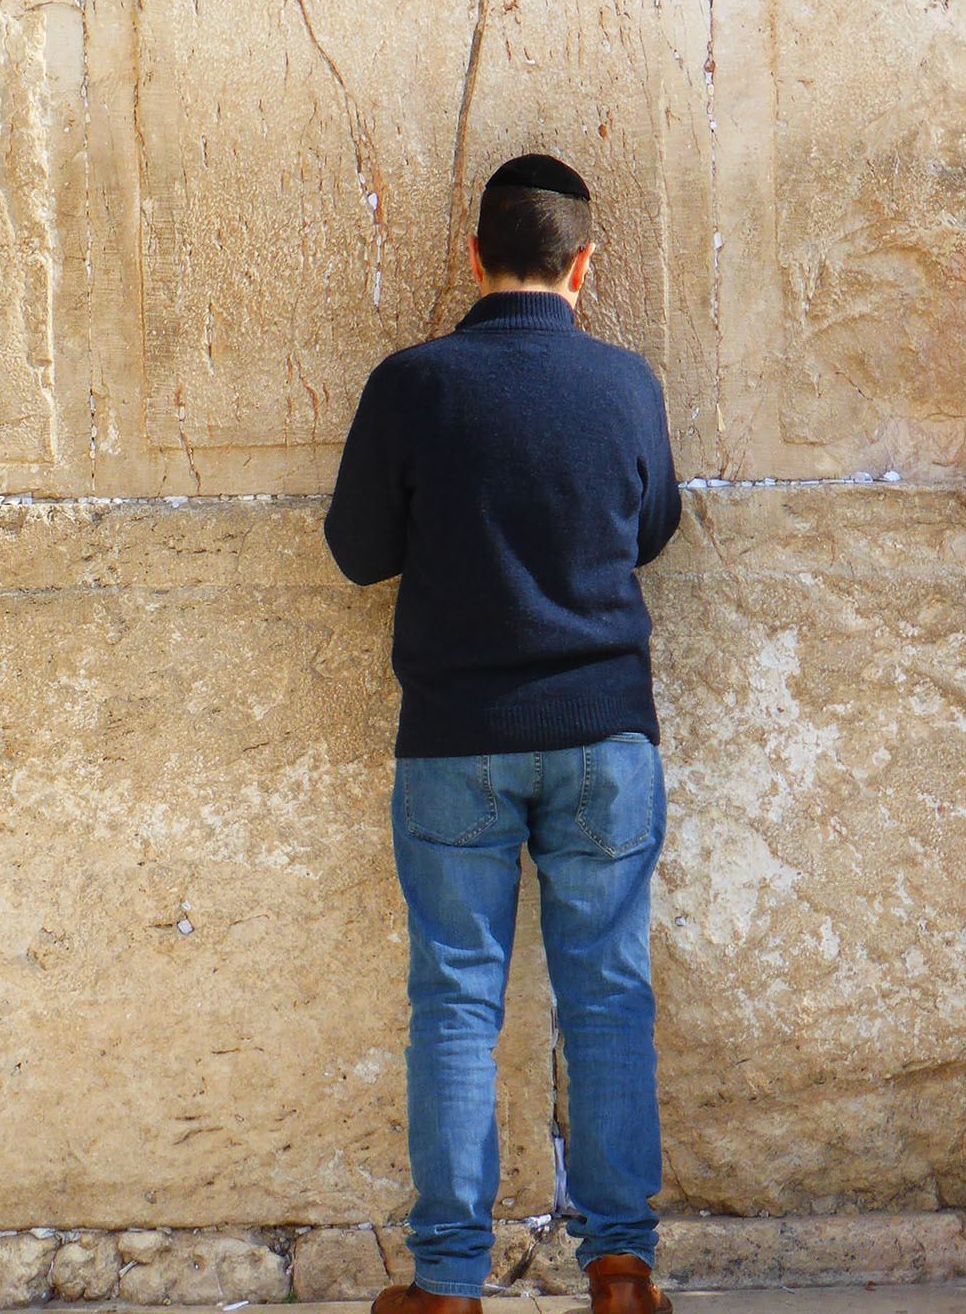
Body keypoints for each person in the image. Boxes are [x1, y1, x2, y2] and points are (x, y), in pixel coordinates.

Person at [326, 154, 682, 1314]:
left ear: (470, 257)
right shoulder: (626, 384)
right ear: (585, 264)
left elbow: (356, 548)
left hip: (455, 742)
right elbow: (652, 528)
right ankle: (621, 1265)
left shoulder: (413, 383)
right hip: (603, 737)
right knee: (609, 993)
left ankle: (444, 1281)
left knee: (457, 1000)